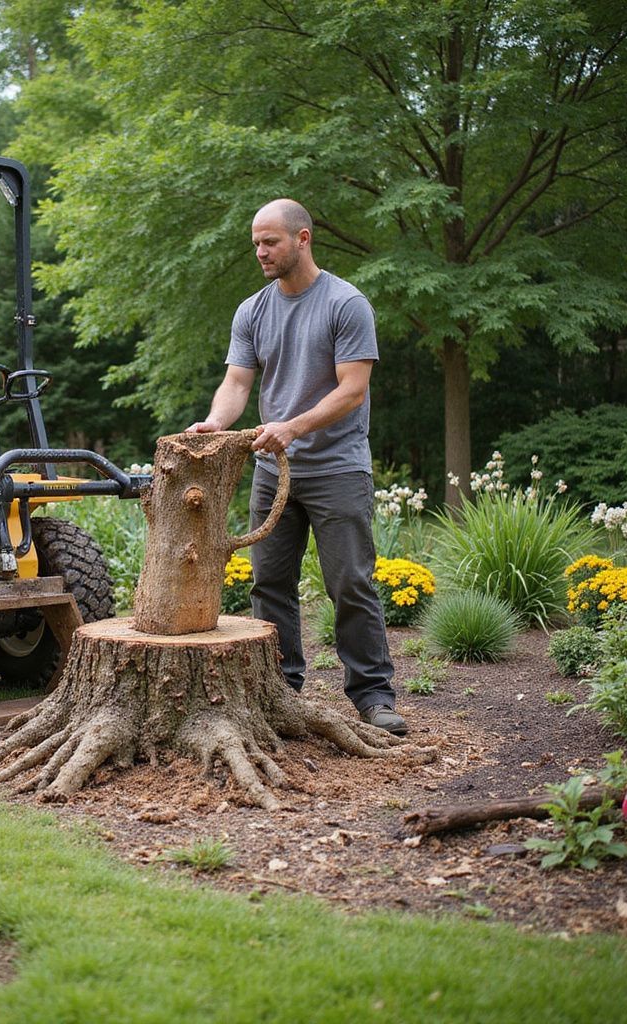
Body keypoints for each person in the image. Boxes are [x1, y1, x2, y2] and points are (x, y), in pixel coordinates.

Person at [187, 198, 405, 735]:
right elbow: (238, 383)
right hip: (272, 473)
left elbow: (353, 390)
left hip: (337, 468)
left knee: (350, 582)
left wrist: (292, 427)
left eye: (271, 242)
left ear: (302, 239)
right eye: (256, 243)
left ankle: (374, 695)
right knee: (269, 583)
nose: (260, 251)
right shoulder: (253, 309)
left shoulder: (345, 303)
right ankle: (281, 690)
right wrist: (217, 422)